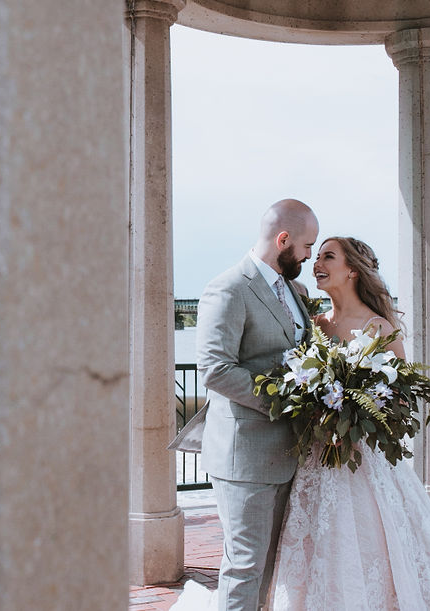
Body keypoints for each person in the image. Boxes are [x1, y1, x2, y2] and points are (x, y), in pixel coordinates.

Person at [171, 236, 430, 611]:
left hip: (363, 463)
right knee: (309, 547)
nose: (316, 263)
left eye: (328, 256)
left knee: (367, 545)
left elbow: (401, 398)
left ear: (352, 270)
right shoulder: (314, 325)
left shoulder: (380, 327)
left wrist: (358, 415)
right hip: (312, 458)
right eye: (316, 255)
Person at [172, 199, 319, 611]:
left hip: (288, 453)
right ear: (283, 239)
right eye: (307, 246)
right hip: (245, 455)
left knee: (270, 566)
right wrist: (288, 402)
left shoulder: (294, 291)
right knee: (244, 566)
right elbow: (216, 370)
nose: (309, 255)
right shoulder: (228, 288)